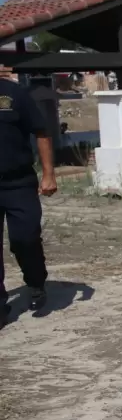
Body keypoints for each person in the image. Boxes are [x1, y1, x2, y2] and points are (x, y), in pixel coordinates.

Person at [0, 79, 57, 330]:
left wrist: (49, 174)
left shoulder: (14, 94)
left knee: (25, 237)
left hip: (18, 181)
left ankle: (35, 282)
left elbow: (41, 131)